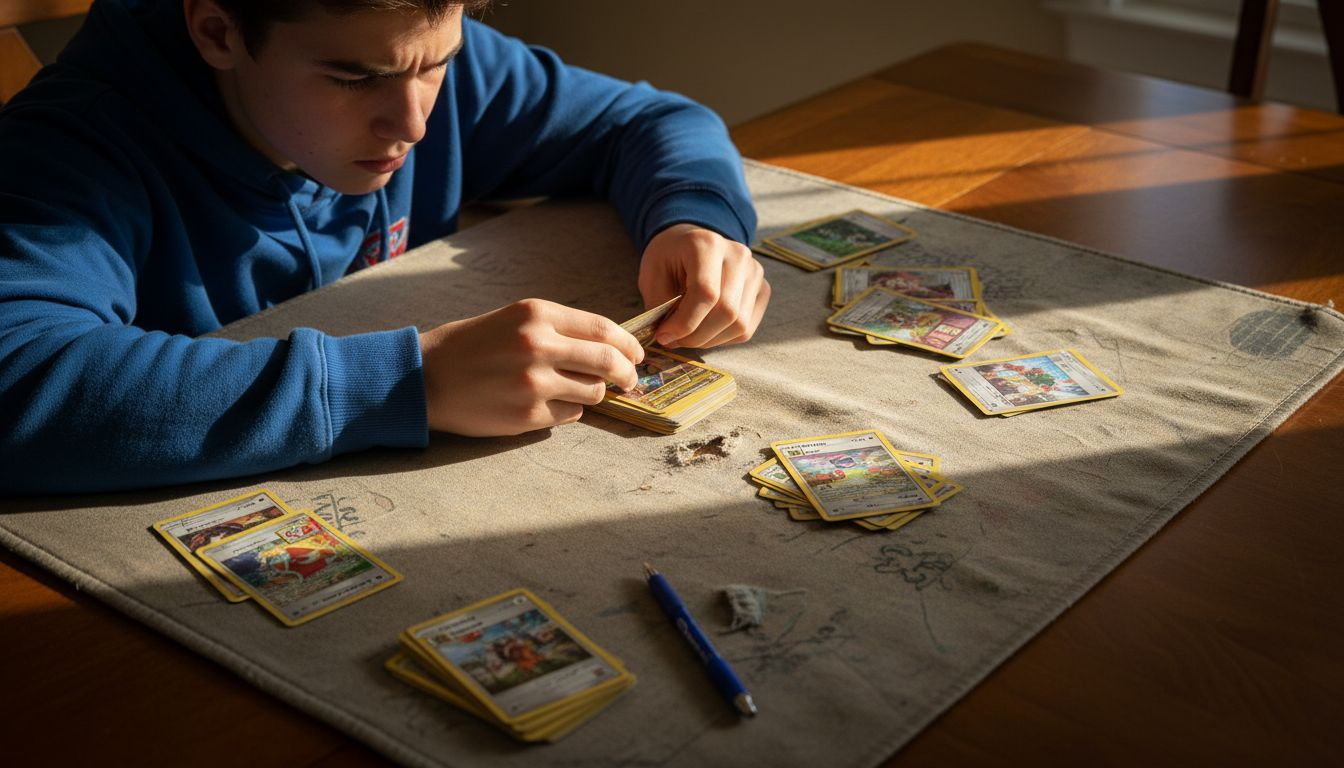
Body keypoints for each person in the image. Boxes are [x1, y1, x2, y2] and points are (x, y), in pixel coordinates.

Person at [0, 0, 770, 493]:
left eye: (437, 64)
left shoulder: (409, 46)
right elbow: (21, 380)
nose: (412, 123)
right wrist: (411, 382)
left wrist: (695, 220)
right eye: (353, 80)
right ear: (218, 30)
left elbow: (654, 122)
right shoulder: (67, 155)